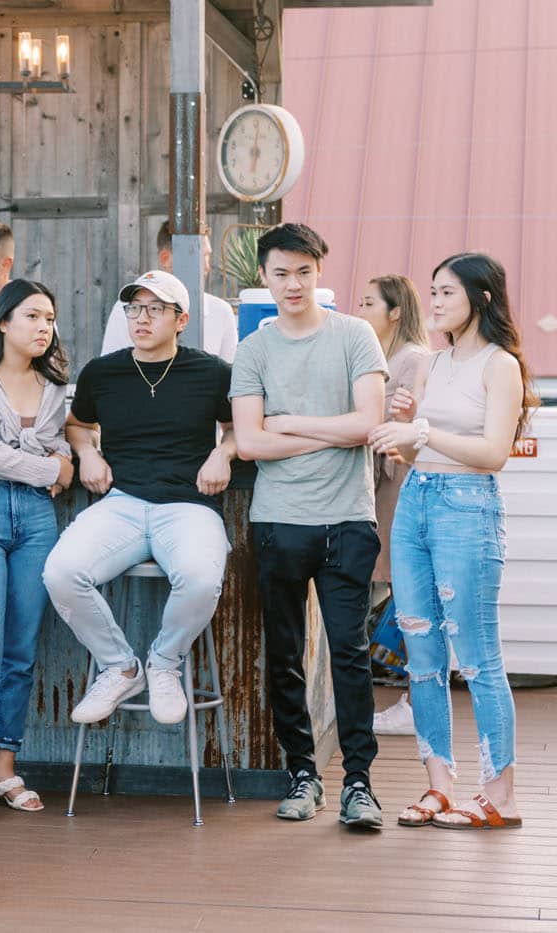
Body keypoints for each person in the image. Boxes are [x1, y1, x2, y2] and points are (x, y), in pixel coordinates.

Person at [369, 253, 535, 831]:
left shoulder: (501, 365)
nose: (434, 302)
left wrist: (422, 429)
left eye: (447, 293)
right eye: (432, 293)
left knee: (478, 656)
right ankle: (440, 786)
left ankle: (501, 796)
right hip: (416, 499)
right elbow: (417, 452)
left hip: (468, 507)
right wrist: (407, 432)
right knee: (422, 654)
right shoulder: (432, 363)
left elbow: (493, 455)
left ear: (481, 298)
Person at [230, 223, 388, 829]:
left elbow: (367, 425)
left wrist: (290, 422)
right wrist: (328, 426)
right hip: (279, 522)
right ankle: (302, 773)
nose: (292, 284)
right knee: (285, 654)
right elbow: (248, 442)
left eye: (303, 271)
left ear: (320, 272)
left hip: (348, 519)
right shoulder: (256, 349)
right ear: (265, 278)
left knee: (349, 654)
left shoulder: (355, 335)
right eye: (280, 273)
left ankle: (358, 783)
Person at [48, 271, 237, 729]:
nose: (142, 318)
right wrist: (88, 451)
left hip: (188, 505)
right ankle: (120, 666)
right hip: (122, 502)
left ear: (181, 319)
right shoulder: (103, 371)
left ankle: (164, 662)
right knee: (61, 573)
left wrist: (222, 453)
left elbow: (241, 427)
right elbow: (77, 423)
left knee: (198, 577)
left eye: (156, 309)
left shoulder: (212, 371)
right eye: (134, 308)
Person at [0, 279, 71, 813]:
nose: (43, 327)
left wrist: (53, 462)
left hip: (38, 520)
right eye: (32, 316)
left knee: (20, 651)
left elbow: (65, 452)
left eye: (49, 318)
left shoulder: (55, 386)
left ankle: (3, 768)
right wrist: (47, 466)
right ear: (4, 322)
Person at [359, 274, 431, 737]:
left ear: (395, 311)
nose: (359, 310)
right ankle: (409, 699)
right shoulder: (380, 358)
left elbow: (413, 425)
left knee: (409, 592)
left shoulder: (413, 360)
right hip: (382, 488)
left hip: (401, 487)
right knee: (392, 589)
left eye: (369, 302)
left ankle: (414, 702)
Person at [101, 220, 238, 362]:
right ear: (165, 259)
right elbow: (110, 370)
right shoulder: (124, 309)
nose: (207, 267)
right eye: (199, 256)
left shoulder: (221, 311)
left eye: (208, 256)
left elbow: (231, 377)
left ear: (183, 320)